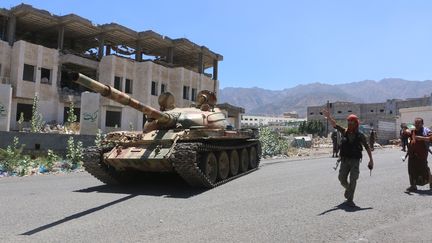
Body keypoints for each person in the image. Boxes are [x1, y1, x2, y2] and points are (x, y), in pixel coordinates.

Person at [322, 109, 374, 207]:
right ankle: (348, 189)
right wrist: (329, 117)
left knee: (353, 179)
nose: (349, 123)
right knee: (341, 178)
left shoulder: (360, 135)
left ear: (356, 123)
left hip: (355, 161)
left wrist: (371, 160)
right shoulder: (344, 131)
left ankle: (350, 199)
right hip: (345, 160)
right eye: (348, 122)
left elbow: (367, 147)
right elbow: (335, 125)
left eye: (352, 122)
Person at [403, 117, 432, 192]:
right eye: (416, 123)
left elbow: (430, 138)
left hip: (422, 154)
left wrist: (421, 138)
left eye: (419, 123)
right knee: (411, 170)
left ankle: (431, 182)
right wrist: (405, 128)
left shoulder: (426, 130)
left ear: (422, 123)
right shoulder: (413, 129)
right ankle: (413, 185)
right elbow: (405, 127)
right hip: (412, 153)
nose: (417, 124)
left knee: (425, 169)